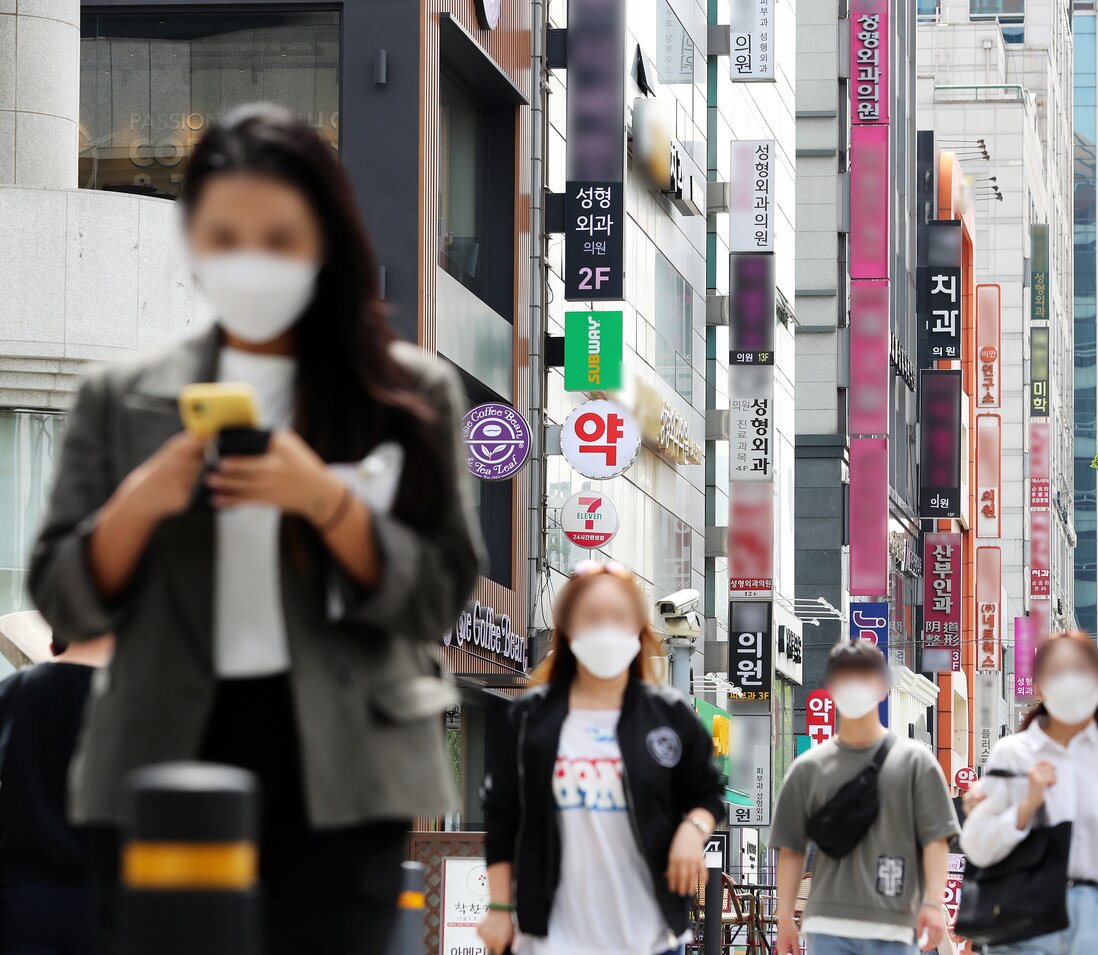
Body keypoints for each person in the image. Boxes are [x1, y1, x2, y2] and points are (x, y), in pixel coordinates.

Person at [26, 105, 482, 955]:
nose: (250, 262)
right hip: (166, 744)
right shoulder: (123, 396)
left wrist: (326, 500)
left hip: (345, 757)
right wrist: (140, 500)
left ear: (323, 240)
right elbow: (61, 593)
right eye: (225, 235)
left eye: (277, 237)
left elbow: (438, 591)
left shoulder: (407, 397)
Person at [479, 560, 725, 955]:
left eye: (619, 616)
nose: (606, 628)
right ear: (568, 628)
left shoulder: (669, 716)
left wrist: (692, 830)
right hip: (550, 937)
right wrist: (498, 907)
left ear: (639, 630)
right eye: (592, 617)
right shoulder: (528, 719)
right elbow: (502, 817)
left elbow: (709, 792)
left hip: (650, 936)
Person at [772, 640, 960, 955]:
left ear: (883, 686)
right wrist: (784, 918)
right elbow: (791, 848)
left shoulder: (916, 762)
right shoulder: (808, 768)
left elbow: (936, 840)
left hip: (896, 922)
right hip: (827, 924)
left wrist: (932, 903)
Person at [960, 632, 1098, 955]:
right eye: (1057, 672)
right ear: (1039, 686)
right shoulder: (1013, 753)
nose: (1070, 682)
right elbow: (977, 846)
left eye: (1080, 671)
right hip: (1025, 910)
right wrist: (1026, 806)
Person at [0, 635, 114, 954]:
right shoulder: (135, 702)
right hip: (110, 901)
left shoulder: (20, 689)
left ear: (51, 649)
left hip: (25, 901)